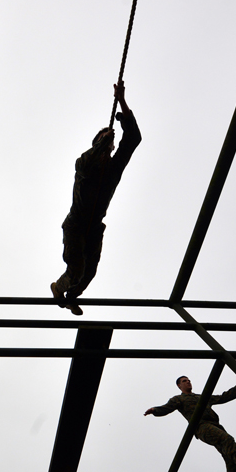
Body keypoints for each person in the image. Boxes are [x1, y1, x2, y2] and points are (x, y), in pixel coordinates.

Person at [51, 81, 142, 316]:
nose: (107, 142)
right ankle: (59, 287)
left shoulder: (112, 169)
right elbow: (88, 161)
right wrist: (102, 143)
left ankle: (71, 295)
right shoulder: (84, 164)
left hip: (93, 228)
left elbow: (133, 140)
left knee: (89, 272)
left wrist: (121, 101)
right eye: (103, 139)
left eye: (109, 141)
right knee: (77, 266)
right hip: (76, 224)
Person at [144, 376, 236, 472]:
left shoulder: (201, 397)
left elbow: (222, 397)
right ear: (179, 386)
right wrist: (154, 410)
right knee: (227, 439)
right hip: (201, 427)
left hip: (215, 425)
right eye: (184, 381)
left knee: (228, 453)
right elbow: (166, 408)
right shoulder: (179, 399)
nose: (188, 382)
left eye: (188, 380)